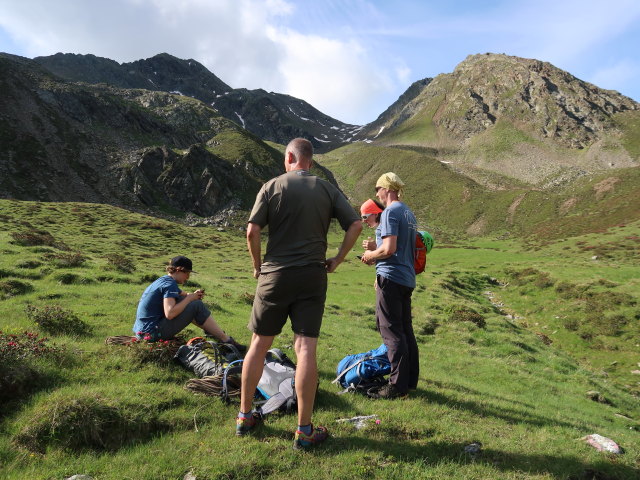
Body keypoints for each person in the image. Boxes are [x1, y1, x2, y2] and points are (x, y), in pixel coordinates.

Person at [236, 137, 362, 449]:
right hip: (312, 275)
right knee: (306, 348)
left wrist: (257, 265)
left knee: (259, 344)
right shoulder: (327, 188)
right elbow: (356, 225)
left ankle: (245, 416)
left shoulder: (272, 186)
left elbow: (252, 231)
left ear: (290, 157)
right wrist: (337, 259)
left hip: (274, 274)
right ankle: (304, 430)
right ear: (310, 159)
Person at [361, 173, 419, 399]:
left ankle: (396, 386)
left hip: (391, 277)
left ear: (387, 188)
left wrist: (370, 255)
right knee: (406, 331)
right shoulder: (408, 212)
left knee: (391, 331)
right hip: (407, 278)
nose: (377, 193)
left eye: (378, 188)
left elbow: (389, 249)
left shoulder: (390, 212)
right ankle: (409, 381)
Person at [132, 255, 245, 351]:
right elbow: (170, 313)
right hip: (151, 334)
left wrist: (192, 295)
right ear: (179, 270)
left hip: (143, 331)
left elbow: (182, 294)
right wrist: (190, 299)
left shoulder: (164, 280)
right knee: (196, 305)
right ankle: (226, 340)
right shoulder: (169, 285)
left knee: (188, 302)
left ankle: (215, 333)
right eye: (187, 273)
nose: (188, 277)